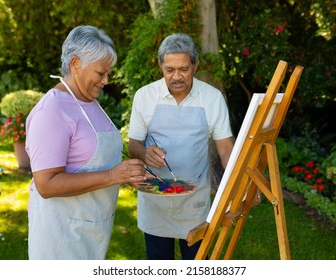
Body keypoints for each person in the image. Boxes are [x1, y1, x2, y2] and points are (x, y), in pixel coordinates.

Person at [25, 25, 150, 260]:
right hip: (60, 237)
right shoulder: (52, 111)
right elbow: (46, 184)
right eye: (101, 73)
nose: (106, 81)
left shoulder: (91, 103)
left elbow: (94, 158)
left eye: (108, 74)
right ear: (75, 64)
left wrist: (129, 173)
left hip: (92, 231)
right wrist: (113, 176)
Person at [128, 33, 234, 260]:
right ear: (160, 66)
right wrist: (145, 154)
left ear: (195, 66)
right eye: (169, 70)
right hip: (155, 202)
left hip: (194, 205)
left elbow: (226, 148)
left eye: (183, 69)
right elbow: (133, 145)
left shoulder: (212, 98)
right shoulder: (144, 96)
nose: (176, 76)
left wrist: (237, 185)